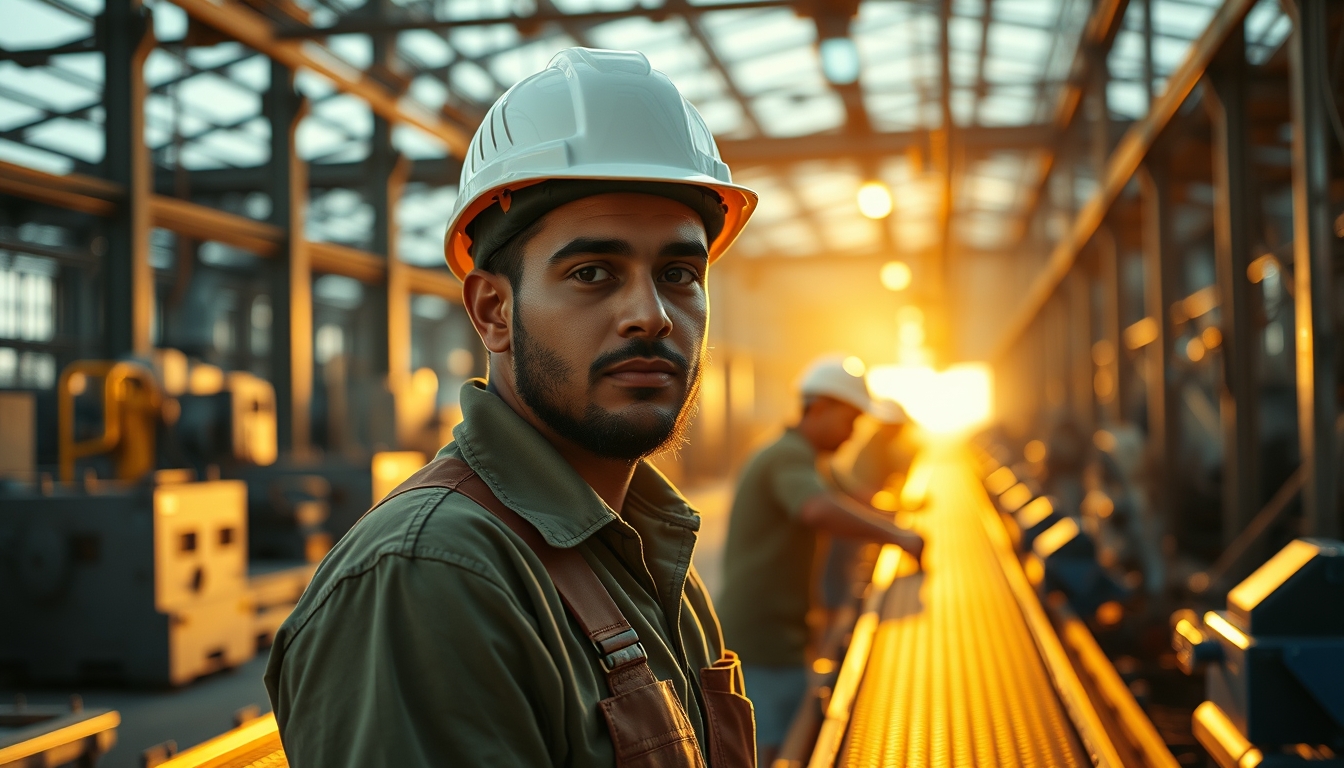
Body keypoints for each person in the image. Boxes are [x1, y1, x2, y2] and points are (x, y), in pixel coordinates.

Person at [265, 48, 760, 766]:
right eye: (593, 272)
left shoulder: (649, 552)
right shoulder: (433, 578)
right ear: (493, 311)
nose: (650, 315)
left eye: (679, 273)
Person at [717, 357, 925, 762]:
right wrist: (898, 536)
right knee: (774, 747)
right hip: (763, 640)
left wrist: (904, 517)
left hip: (785, 631)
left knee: (788, 736)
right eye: (850, 419)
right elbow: (817, 509)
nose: (853, 433)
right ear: (819, 409)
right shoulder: (787, 456)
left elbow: (855, 501)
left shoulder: (813, 460)